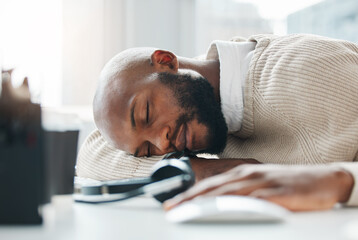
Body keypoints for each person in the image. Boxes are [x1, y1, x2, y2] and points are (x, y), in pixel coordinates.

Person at [86, 33, 358, 211]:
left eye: (146, 113)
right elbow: (91, 152)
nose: (161, 143)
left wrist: (339, 181)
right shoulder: (206, 115)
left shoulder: (313, 70)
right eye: (146, 151)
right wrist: (193, 169)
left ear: (167, 62)